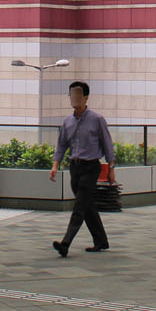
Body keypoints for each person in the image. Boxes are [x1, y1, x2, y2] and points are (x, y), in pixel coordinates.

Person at [50, 80, 114, 256]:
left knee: (79, 206)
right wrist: (55, 165)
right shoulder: (67, 121)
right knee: (87, 205)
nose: (75, 98)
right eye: (72, 95)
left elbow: (107, 144)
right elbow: (61, 145)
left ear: (86, 97)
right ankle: (101, 241)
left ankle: (65, 243)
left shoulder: (97, 119)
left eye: (79, 95)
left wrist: (111, 168)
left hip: (91, 167)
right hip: (75, 168)